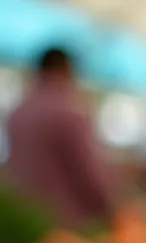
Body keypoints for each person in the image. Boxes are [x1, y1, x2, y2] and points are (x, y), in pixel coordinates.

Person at [5, 48, 118, 230]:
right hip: (67, 223)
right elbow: (89, 171)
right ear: (67, 70)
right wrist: (112, 208)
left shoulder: (18, 112)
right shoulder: (70, 111)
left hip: (24, 220)